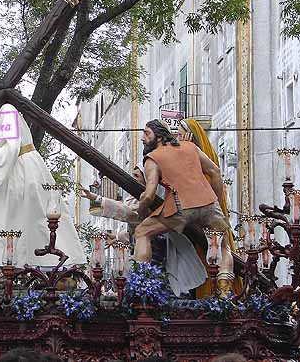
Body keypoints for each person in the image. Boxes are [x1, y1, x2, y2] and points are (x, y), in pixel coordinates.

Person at [0, 81, 86, 268]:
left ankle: (43, 265)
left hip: (23, 169)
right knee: (1, 220)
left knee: (20, 220)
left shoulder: (7, 109)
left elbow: (12, 146)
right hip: (12, 171)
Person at [135, 119, 234, 298]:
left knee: (142, 232)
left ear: (158, 135)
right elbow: (215, 172)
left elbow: (149, 195)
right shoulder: (190, 147)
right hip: (209, 203)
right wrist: (216, 202)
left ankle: (142, 288)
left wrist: (139, 208)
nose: (143, 138)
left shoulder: (152, 159)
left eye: (146, 133)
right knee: (224, 248)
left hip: (181, 207)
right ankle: (224, 294)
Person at [80, 165, 206, 297]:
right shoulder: (132, 198)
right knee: (120, 273)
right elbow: (133, 227)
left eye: (136, 176)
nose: (132, 179)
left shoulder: (148, 200)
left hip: (156, 249)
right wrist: (117, 237)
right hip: (141, 249)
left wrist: (96, 198)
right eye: (132, 175)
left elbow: (128, 212)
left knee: (149, 280)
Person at [177, 118, 242, 297]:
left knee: (222, 249)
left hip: (206, 209)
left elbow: (213, 175)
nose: (177, 136)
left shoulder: (193, 151)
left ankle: (223, 291)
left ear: (191, 134)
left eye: (181, 132)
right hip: (198, 211)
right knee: (212, 252)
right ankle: (217, 291)